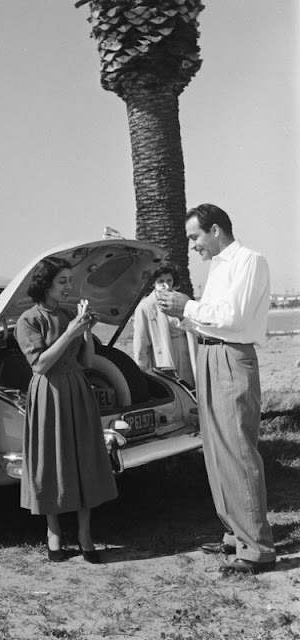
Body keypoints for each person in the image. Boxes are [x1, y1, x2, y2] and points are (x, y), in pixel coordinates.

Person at [158, 203, 276, 574]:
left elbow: (235, 319)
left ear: (214, 230)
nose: (193, 246)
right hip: (209, 356)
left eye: (195, 237)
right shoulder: (218, 268)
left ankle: (257, 547)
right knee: (216, 448)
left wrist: (188, 306)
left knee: (238, 450)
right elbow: (214, 322)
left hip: (231, 359)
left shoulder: (249, 261)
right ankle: (235, 533)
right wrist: (184, 317)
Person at [15, 257, 118, 563]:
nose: (67, 287)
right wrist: (71, 332)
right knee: (51, 460)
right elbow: (41, 364)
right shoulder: (28, 320)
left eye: (68, 282)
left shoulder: (69, 314)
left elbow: (86, 362)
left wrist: (86, 331)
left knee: (83, 459)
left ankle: (85, 534)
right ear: (45, 284)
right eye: (62, 281)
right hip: (49, 392)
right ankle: (54, 531)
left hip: (76, 389)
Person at [132, 264, 197, 388]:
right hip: (164, 356)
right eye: (161, 281)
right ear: (153, 283)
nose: (165, 284)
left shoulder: (182, 300)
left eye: (169, 280)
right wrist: (142, 372)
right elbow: (141, 343)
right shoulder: (145, 306)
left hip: (187, 354)